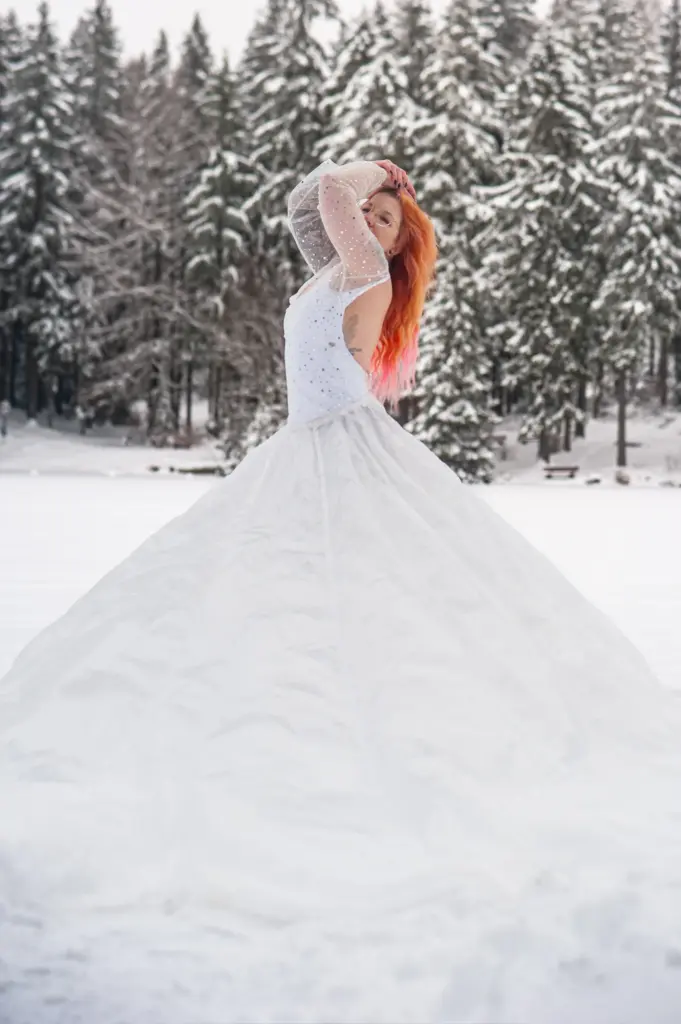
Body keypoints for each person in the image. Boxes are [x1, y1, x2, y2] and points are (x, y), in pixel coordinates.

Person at [1, 158, 680, 1024]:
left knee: (370, 586)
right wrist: (367, 187)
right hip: (303, 446)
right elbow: (304, 203)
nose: (366, 219)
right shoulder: (331, 265)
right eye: (366, 214)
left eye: (386, 219)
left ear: (397, 244)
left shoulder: (367, 270)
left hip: (340, 445)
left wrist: (378, 173)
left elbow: (324, 194)